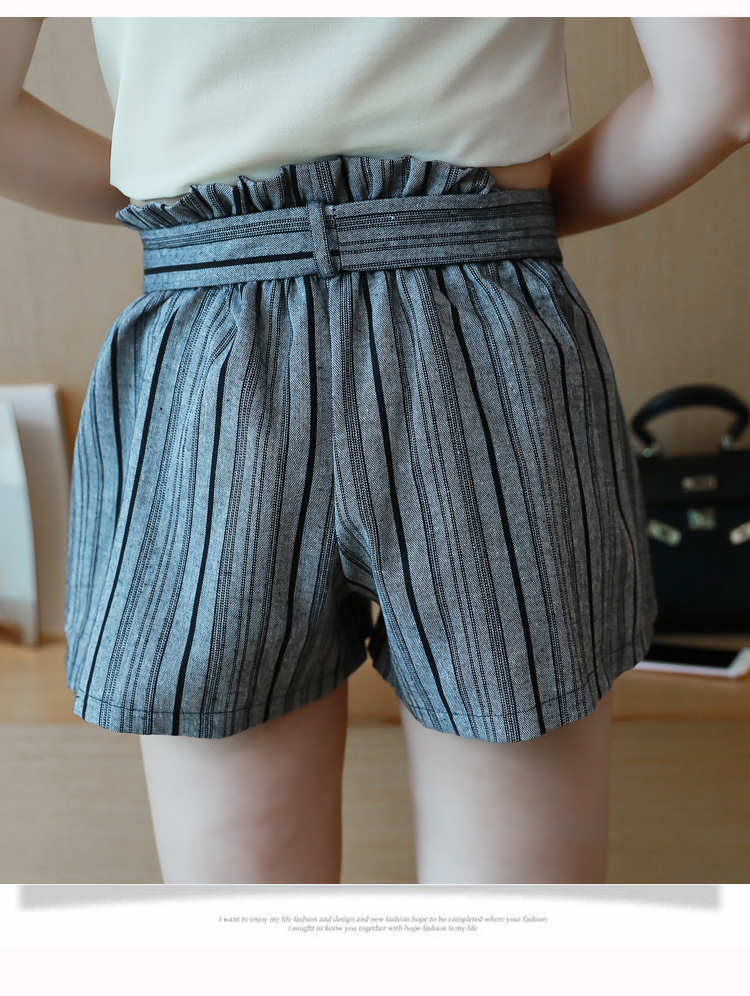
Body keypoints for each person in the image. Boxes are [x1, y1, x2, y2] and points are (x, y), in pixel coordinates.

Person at [0, 16, 748, 886]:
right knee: (514, 923)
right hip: (482, 333)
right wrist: (501, 217)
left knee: (243, 921)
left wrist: (190, 222)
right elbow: (721, 96)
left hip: (210, 347)